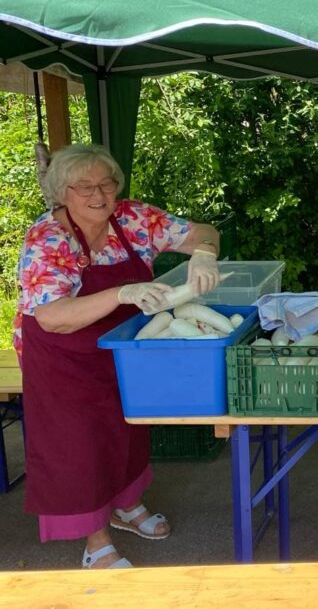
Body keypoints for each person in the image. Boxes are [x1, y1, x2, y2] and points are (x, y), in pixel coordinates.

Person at [14, 143, 223, 569]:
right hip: (63, 358)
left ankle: (127, 506)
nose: (98, 195)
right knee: (81, 447)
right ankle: (96, 540)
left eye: (106, 183)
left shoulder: (133, 218)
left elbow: (203, 230)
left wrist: (204, 252)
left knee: (126, 431)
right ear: (61, 192)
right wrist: (123, 292)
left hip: (124, 350)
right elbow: (53, 316)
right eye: (84, 186)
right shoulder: (47, 239)